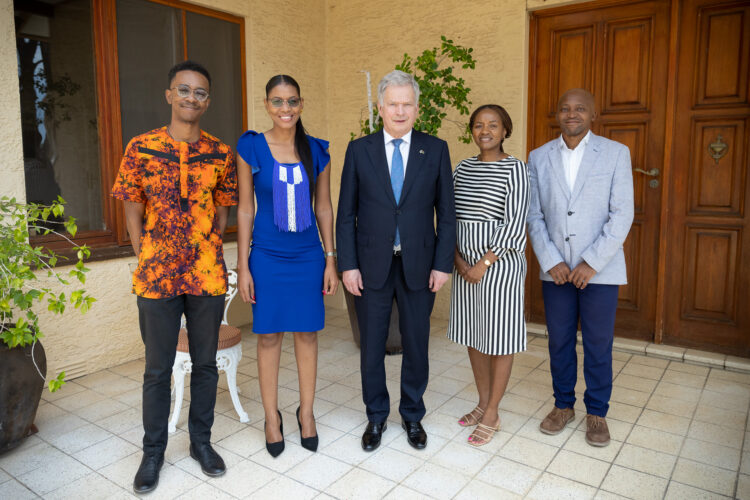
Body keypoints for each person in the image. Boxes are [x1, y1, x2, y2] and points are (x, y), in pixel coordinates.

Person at [111, 60, 236, 494]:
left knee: (204, 364)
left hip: (205, 274)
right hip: (157, 275)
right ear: (169, 95)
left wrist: (207, 247)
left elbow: (223, 209)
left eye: (200, 92)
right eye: (184, 90)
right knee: (157, 369)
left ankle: (201, 443)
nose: (191, 98)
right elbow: (130, 206)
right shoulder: (140, 148)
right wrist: (145, 253)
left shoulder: (220, 153)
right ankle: (153, 452)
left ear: (207, 101)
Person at [336, 70, 456, 452]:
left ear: (416, 109)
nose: (400, 111)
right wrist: (348, 265)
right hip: (370, 265)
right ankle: (375, 415)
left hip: (420, 264)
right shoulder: (359, 150)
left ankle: (412, 414)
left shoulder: (435, 149)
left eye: (407, 104)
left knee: (417, 343)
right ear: (381, 107)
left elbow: (447, 213)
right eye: (393, 104)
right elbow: (345, 214)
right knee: (371, 344)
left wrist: (442, 264)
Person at [235, 75, 338, 458]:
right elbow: (245, 209)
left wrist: (331, 258)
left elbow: (324, 207)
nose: (285, 109)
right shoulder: (251, 147)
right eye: (277, 101)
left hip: (309, 256)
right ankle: (271, 418)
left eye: (292, 101)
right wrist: (243, 265)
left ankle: (306, 413)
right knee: (268, 337)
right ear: (266, 104)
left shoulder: (317, 149)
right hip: (266, 256)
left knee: (307, 334)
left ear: (301, 104)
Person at [527, 88, 633, 447]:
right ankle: (563, 406)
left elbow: (622, 214)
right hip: (555, 270)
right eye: (565, 109)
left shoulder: (616, 154)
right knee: (559, 341)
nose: (572, 114)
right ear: (557, 114)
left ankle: (597, 412)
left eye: (580, 109)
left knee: (598, 343)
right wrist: (551, 259)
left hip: (600, 270)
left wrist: (591, 262)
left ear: (593, 114)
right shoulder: (539, 157)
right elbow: (533, 214)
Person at [448, 104, 529, 446]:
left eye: (493, 125)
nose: (485, 131)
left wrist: (483, 263)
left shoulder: (517, 170)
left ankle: (493, 412)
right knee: (474, 334)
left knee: (500, 338)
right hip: (464, 268)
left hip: (499, 266)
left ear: (505, 130)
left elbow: (515, 223)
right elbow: (448, 215)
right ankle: (482, 403)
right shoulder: (462, 169)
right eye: (479, 125)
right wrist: (458, 260)